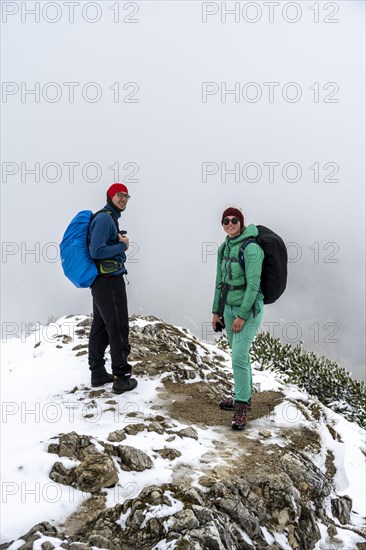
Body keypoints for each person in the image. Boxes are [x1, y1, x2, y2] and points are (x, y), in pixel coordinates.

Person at [212, 207, 264, 430]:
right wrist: (217, 311)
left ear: (241, 223)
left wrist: (242, 316)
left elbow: (253, 286)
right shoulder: (224, 248)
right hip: (229, 308)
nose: (230, 223)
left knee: (239, 356)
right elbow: (219, 282)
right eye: (226, 221)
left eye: (234, 220)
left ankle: (241, 406)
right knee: (239, 356)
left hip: (249, 309)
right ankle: (243, 397)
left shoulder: (251, 248)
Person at [88, 183, 138, 394]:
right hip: (109, 281)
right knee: (118, 327)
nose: (123, 199)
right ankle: (121, 377)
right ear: (110, 196)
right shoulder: (105, 218)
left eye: (126, 196)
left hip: (101, 281)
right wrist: (123, 245)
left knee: (101, 327)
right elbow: (97, 251)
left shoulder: (109, 218)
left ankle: (98, 374)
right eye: (119, 195)